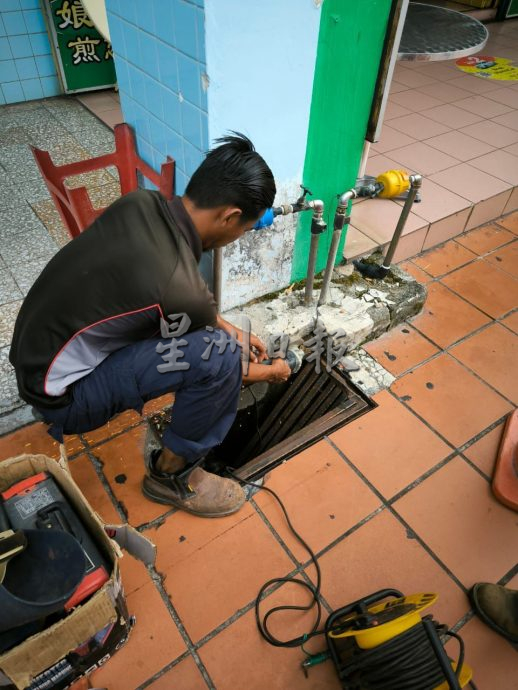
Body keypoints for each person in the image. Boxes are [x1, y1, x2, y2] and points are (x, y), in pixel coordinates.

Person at [10, 133, 292, 518]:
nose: (238, 236)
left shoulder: (142, 202)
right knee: (220, 358)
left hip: (34, 360)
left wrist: (228, 326)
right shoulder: (178, 290)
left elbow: (179, 299)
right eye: (244, 228)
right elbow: (206, 342)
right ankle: (170, 476)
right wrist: (271, 373)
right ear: (229, 216)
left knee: (218, 341)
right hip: (64, 399)